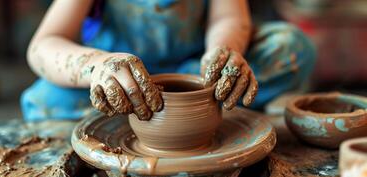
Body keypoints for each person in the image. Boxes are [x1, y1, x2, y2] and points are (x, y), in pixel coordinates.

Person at [21, 0, 316, 121]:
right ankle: (175, 113)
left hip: (194, 71)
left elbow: (229, 17)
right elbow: (43, 44)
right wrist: (97, 65)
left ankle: (190, 103)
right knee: (49, 98)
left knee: (291, 47)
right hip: (116, 82)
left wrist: (223, 52)